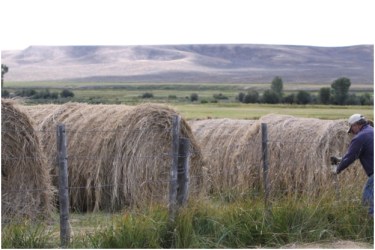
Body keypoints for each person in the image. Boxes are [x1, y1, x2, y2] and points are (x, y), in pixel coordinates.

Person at [334, 114, 373, 215]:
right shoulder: (372, 131)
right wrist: (340, 160)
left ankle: (370, 221)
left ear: (356, 125)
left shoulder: (360, 138)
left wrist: (337, 169)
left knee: (368, 197)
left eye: (351, 128)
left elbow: (350, 157)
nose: (352, 131)